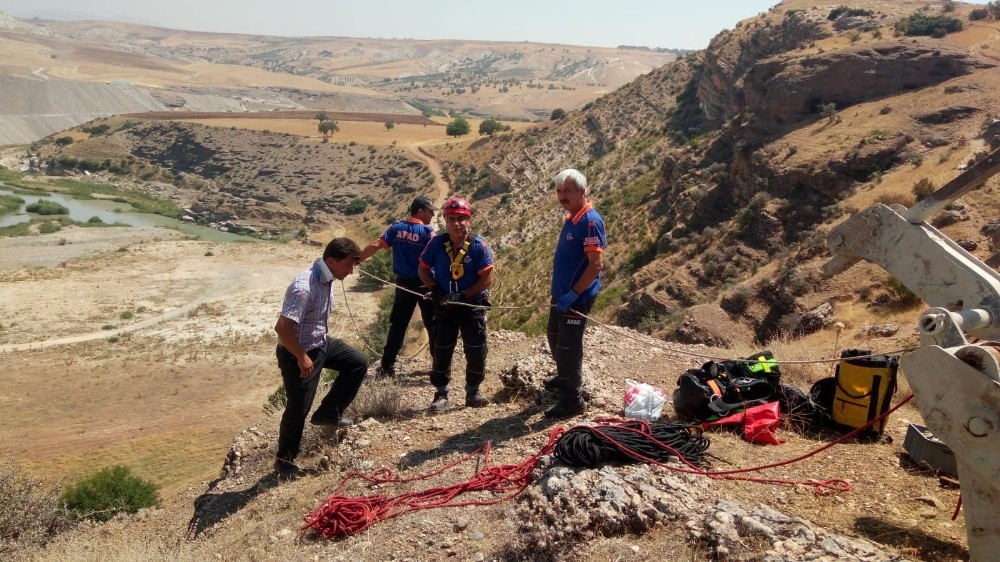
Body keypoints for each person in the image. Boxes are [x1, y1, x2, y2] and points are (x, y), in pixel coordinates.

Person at [273, 237, 368, 480]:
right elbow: (282, 328)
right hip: (297, 353)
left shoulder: (327, 277)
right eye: (348, 265)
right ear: (331, 261)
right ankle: (285, 461)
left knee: (357, 363)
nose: (351, 271)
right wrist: (302, 357)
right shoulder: (304, 287)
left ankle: (328, 413)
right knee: (298, 409)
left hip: (320, 343)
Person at [417, 196, 494, 411]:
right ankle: (441, 393)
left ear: (468, 219)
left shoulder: (478, 245)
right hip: (445, 305)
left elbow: (487, 278)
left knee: (476, 348)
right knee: (441, 349)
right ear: (445, 221)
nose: (456, 223)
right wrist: (434, 288)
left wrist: (464, 295)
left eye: (461, 218)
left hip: (470, 305)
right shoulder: (437, 244)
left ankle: (473, 391)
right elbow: (422, 269)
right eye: (451, 219)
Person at [545, 168, 606, 418]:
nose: (562, 196)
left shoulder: (590, 221)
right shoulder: (572, 217)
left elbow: (595, 265)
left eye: (568, 191)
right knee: (554, 336)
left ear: (582, 191)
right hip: (561, 295)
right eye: (559, 191)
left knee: (569, 347)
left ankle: (572, 400)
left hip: (576, 297)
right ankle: (564, 376)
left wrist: (573, 295)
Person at [358, 195, 439, 377]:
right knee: (433, 325)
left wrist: (357, 260)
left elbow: (376, 244)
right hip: (425, 284)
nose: (432, 216)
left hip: (403, 284)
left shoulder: (396, 228)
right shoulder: (428, 233)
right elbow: (438, 259)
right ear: (420, 211)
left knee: (398, 326)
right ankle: (438, 366)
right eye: (430, 212)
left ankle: (387, 367)